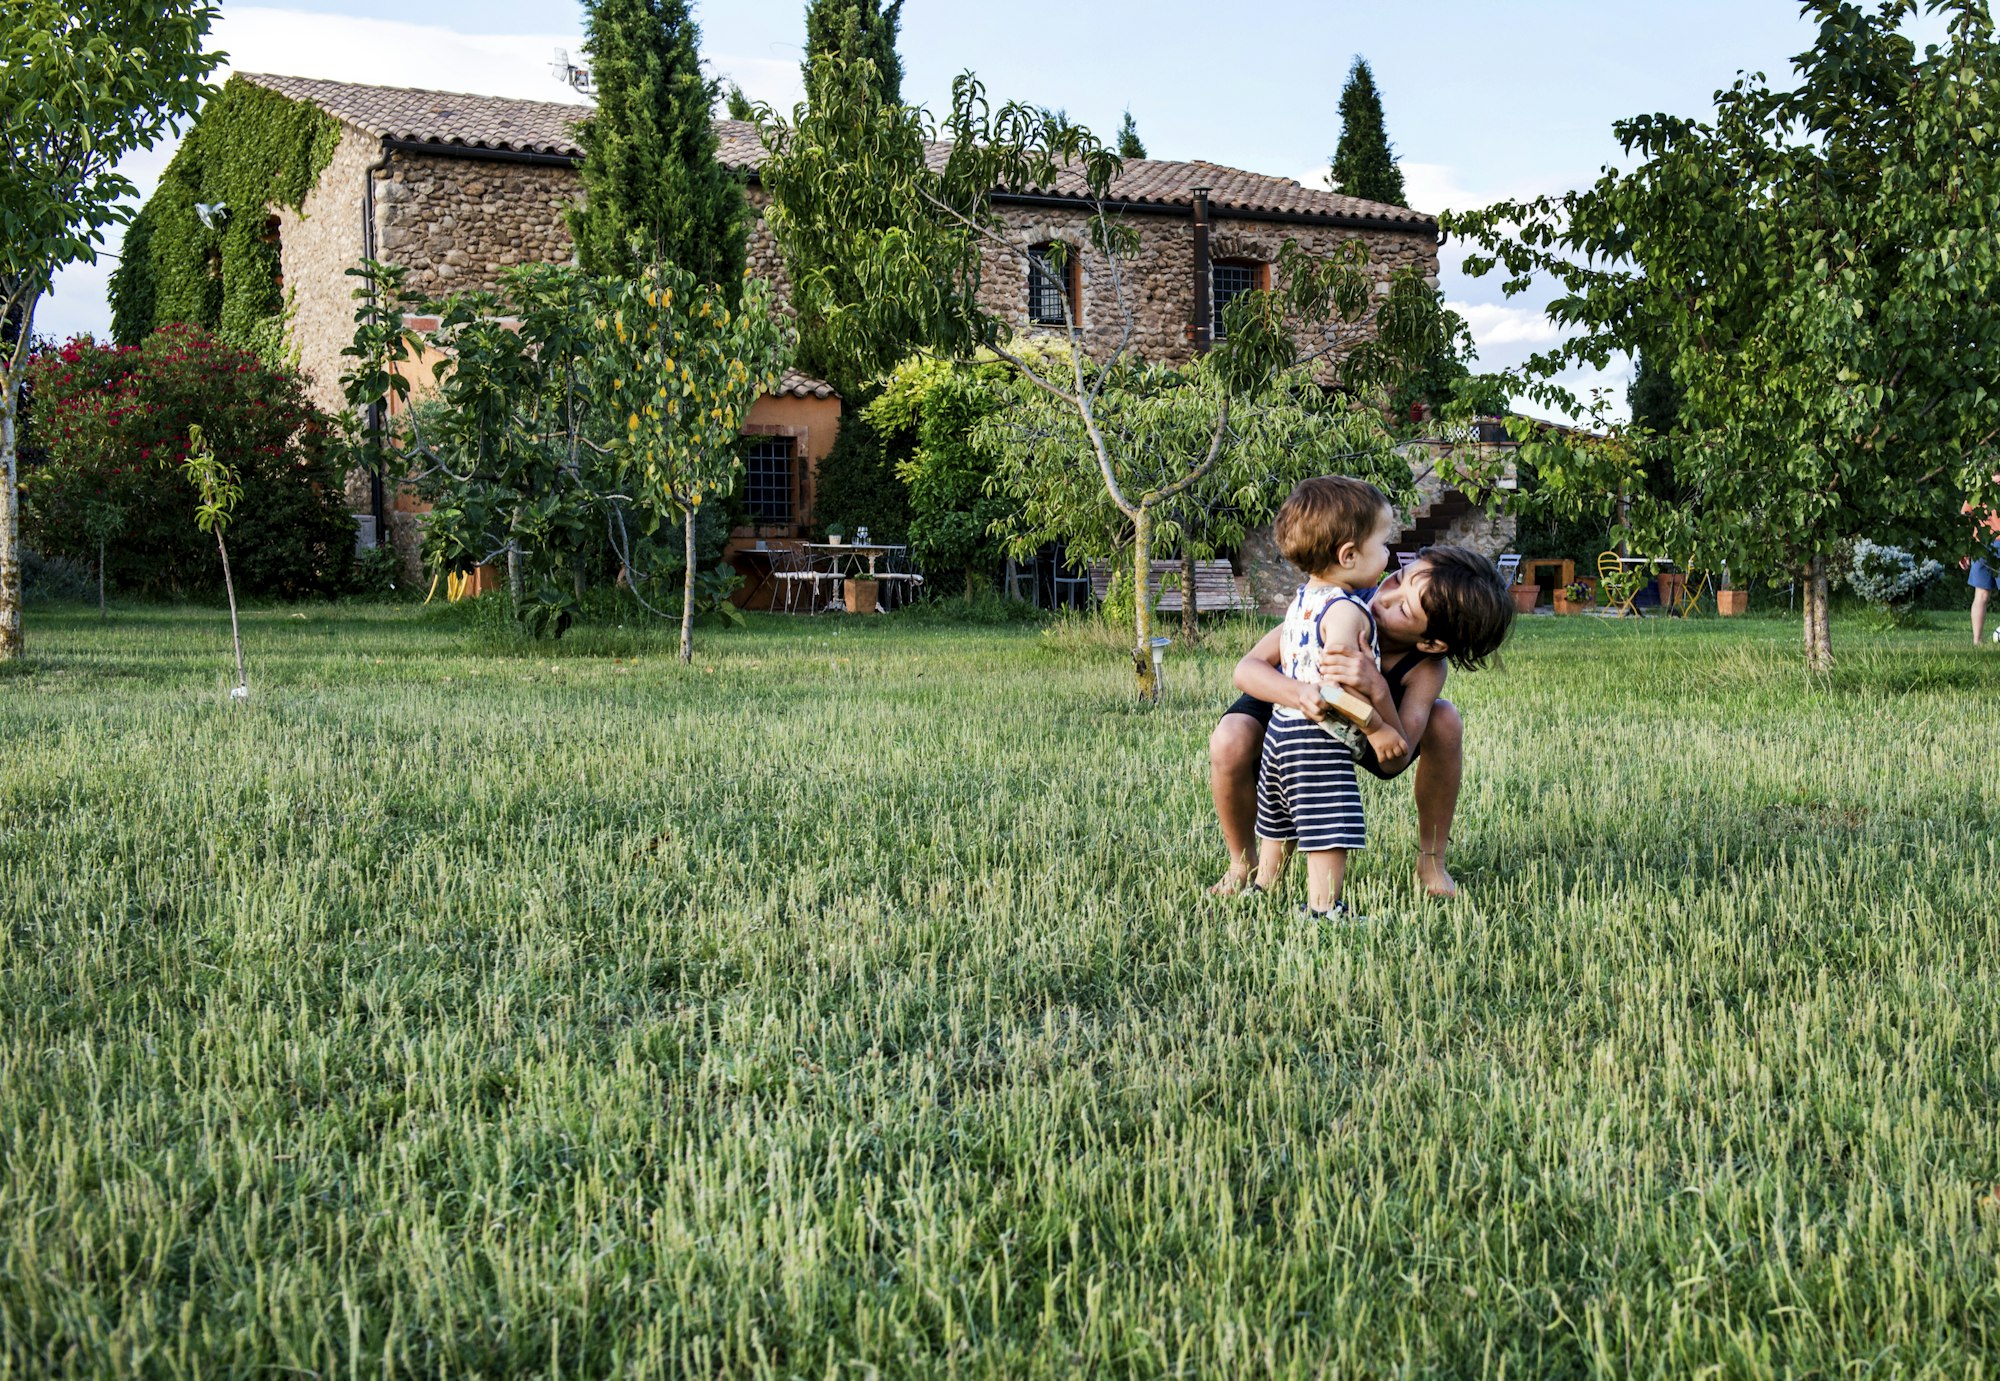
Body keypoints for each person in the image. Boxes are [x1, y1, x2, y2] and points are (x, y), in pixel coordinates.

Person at [1210, 542, 1515, 901]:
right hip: (1292, 698)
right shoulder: (1344, 604)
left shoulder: (1426, 669)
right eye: (1398, 578)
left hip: (1371, 728)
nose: (1385, 597)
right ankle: (1242, 863)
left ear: (1432, 644)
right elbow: (1247, 668)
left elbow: (1395, 761)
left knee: (1446, 719)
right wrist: (1300, 695)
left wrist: (1376, 688)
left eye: (1404, 607)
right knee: (1230, 738)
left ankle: (1431, 861)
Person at [1236, 477, 1409, 918]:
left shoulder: (1302, 601)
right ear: (1349, 555)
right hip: (1318, 738)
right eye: (1383, 544)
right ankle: (1324, 909)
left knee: (1279, 818)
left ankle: (1261, 887)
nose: (1389, 556)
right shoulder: (1347, 611)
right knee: (1330, 823)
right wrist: (1379, 726)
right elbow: (1337, 685)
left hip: (1281, 730)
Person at [1967, 496, 2000, 647]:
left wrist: (1964, 549)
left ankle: (1977, 641)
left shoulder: (1978, 489)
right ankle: (1977, 640)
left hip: (1980, 543)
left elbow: (1965, 518)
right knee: (1980, 595)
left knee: (1981, 595)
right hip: (1985, 544)